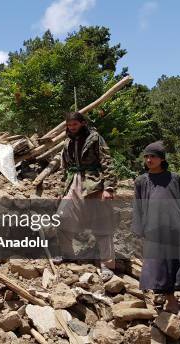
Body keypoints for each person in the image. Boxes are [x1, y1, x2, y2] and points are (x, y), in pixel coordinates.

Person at [53, 111, 117, 282]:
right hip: (73, 182)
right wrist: (61, 191)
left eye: (75, 124)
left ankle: (107, 264)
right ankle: (67, 254)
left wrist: (109, 188)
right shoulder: (67, 142)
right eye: (69, 125)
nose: (72, 127)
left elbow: (107, 162)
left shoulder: (95, 138)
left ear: (82, 123)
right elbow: (64, 168)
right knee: (62, 217)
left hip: (93, 183)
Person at [132, 141, 180, 313]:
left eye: (153, 156)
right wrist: (139, 228)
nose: (149, 159)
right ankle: (170, 299)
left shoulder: (175, 178)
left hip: (177, 226)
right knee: (161, 264)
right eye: (147, 156)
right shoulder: (141, 181)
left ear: (161, 159)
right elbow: (138, 206)